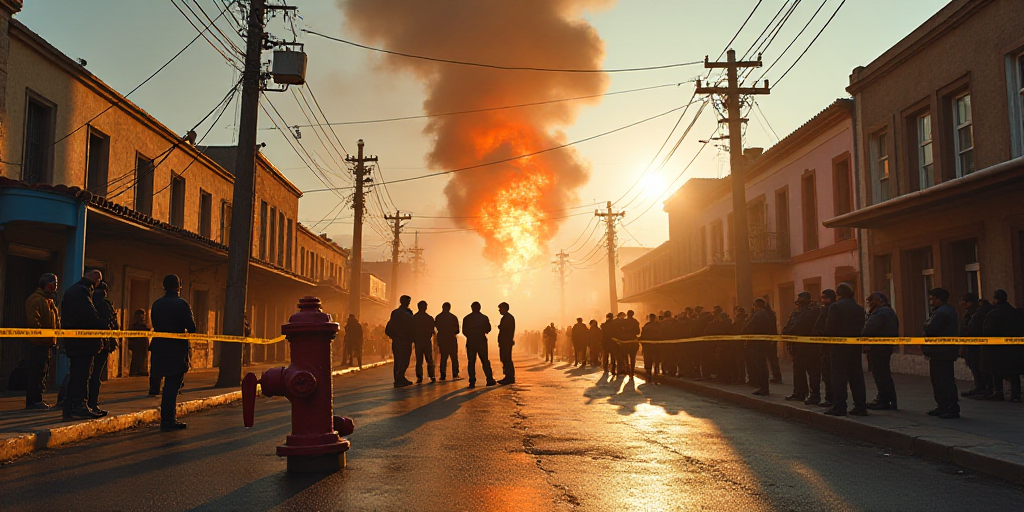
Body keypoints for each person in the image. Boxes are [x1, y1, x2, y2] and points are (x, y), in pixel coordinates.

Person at [150, 274, 197, 431]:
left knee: (164, 381)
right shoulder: (181, 304)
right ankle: (168, 420)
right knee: (172, 385)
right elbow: (192, 327)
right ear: (179, 287)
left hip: (159, 347)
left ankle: (167, 418)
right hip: (176, 349)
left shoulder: (156, 304)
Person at [60, 269, 107, 420]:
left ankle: (70, 408)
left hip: (76, 342)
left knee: (77, 374)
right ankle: (78, 406)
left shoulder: (74, 290)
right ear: (96, 279)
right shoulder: (82, 291)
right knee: (81, 375)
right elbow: (90, 315)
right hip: (83, 342)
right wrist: (103, 325)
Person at [823, 283, 867, 417]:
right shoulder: (859, 309)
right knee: (856, 376)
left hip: (839, 347)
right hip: (855, 346)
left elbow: (830, 328)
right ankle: (860, 406)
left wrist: (827, 343)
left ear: (839, 295)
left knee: (838, 376)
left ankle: (840, 406)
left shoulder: (835, 307)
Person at [922, 287, 961, 418]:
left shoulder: (942, 312)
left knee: (943, 380)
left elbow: (930, 328)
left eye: (933, 298)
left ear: (939, 299)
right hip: (942, 351)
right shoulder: (944, 311)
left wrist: (926, 326)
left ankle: (950, 407)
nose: (931, 301)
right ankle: (943, 406)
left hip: (941, 352)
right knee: (940, 380)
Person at [980, 289, 1024, 402]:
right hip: (1014, 348)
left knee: (997, 371)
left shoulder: (993, 314)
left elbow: (988, 331)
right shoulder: (1015, 312)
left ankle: (998, 392)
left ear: (996, 300)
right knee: (1014, 372)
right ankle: (1016, 393)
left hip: (997, 348)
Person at [24, 273, 60, 410]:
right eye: (53, 284)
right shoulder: (36, 300)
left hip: (47, 343)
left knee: (42, 372)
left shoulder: (49, 302)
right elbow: (34, 322)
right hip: (38, 343)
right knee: (36, 372)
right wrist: (40, 338)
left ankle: (37, 398)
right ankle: (34, 400)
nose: (55, 288)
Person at [862, 292, 899, 410]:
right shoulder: (888, 311)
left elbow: (869, 329)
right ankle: (889, 399)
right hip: (884, 347)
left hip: (878, 348)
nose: (869, 305)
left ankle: (884, 400)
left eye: (870, 302)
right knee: (884, 374)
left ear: (877, 300)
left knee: (880, 374)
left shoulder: (880, 313)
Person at [782, 292, 821, 403]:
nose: (799, 303)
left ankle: (815, 395)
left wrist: (790, 331)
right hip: (797, 346)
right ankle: (799, 393)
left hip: (810, 346)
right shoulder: (795, 312)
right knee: (798, 370)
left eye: (801, 300)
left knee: (813, 372)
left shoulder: (813, 311)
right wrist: (787, 333)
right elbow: (788, 326)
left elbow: (800, 326)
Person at [88, 281, 119, 417]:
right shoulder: (105, 304)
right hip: (103, 343)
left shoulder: (87, 301)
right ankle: (92, 404)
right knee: (96, 375)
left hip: (87, 342)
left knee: (84, 373)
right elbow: (113, 324)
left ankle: (80, 402)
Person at [742, 299, 777, 396]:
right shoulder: (766, 314)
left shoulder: (758, 315)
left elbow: (750, 327)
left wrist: (745, 332)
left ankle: (763, 388)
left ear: (755, 305)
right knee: (761, 365)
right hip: (762, 343)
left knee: (760, 366)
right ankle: (763, 386)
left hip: (757, 343)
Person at [812, 290, 837, 407]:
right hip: (827, 347)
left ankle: (831, 398)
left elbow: (824, 327)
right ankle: (831, 398)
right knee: (828, 374)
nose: (822, 300)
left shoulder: (829, 310)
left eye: (824, 297)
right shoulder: (825, 310)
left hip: (828, 347)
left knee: (828, 374)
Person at [462, 302, 496, 388]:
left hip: (471, 342)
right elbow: (488, 329)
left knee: (471, 362)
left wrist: (471, 335)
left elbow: (464, 331)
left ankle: (472, 381)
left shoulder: (467, 318)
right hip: (481, 341)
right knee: (485, 360)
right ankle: (489, 379)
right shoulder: (484, 318)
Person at [386, 295, 415, 388]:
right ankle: (400, 378)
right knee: (404, 360)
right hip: (405, 341)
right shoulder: (407, 314)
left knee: (398, 360)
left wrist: (394, 337)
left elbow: (388, 329)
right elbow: (411, 328)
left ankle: (398, 379)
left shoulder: (395, 313)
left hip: (397, 341)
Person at [412, 301, 436, 384]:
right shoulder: (429, 318)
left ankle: (419, 376)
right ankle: (432, 375)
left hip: (418, 342)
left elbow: (411, 330)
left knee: (419, 360)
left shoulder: (414, 318)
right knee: (429, 359)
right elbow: (433, 331)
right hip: (426, 341)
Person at [435, 302, 461, 380]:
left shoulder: (438, 317)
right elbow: (457, 330)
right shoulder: (453, 317)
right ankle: (455, 374)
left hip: (442, 339)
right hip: (451, 339)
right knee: (454, 357)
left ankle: (443, 375)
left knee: (443, 357)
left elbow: (437, 327)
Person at [497, 302, 516, 385]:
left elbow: (507, 330)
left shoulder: (508, 318)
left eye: (500, 309)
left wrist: (500, 327)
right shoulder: (507, 318)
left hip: (506, 342)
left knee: (506, 359)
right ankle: (508, 376)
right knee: (505, 358)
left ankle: (509, 377)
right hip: (505, 342)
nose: (499, 310)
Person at [128, 309, 151, 377]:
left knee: (143, 357)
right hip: (136, 342)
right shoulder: (134, 324)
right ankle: (134, 371)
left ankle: (141, 370)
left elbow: (148, 329)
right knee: (136, 357)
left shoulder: (144, 323)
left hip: (143, 342)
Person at [619, 310, 641, 378]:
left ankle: (627, 369)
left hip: (625, 341)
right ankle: (632, 371)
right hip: (633, 341)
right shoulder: (636, 322)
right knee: (633, 357)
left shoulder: (623, 322)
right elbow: (638, 332)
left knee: (625, 357)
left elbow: (620, 330)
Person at [640, 313, 660, 381]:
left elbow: (643, 336)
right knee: (656, 360)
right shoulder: (658, 325)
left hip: (647, 347)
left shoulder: (646, 326)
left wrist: (643, 346)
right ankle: (656, 373)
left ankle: (648, 374)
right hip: (656, 346)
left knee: (648, 361)